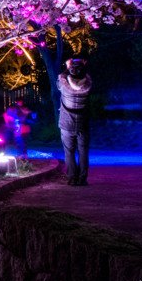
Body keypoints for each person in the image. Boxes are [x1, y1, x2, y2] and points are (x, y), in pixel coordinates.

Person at [57, 58, 93, 186]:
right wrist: (82, 66)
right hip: (82, 124)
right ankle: (82, 178)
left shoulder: (64, 86)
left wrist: (68, 66)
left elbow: (61, 76)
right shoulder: (87, 85)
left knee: (69, 152)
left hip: (67, 124)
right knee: (83, 152)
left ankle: (72, 178)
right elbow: (87, 75)